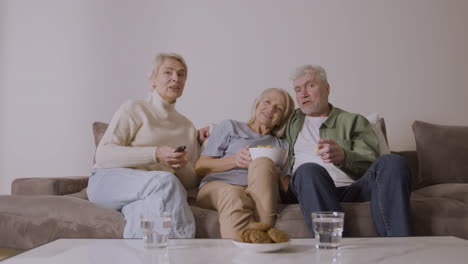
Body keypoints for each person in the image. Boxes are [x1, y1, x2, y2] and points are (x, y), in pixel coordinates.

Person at [87, 53, 208, 239]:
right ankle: (186, 251)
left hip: (149, 192)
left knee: (145, 210)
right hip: (107, 182)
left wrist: (181, 166)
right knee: (165, 181)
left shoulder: (187, 127)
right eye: (168, 72)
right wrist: (156, 154)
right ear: (153, 80)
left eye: (181, 74)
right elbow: (104, 155)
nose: (176, 78)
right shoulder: (134, 109)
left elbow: (190, 183)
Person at [281, 65, 412, 237]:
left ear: (327, 88)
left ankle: (399, 249)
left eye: (310, 86)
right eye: (298, 89)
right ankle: (335, 253)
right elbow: (260, 126)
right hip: (311, 187)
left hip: (353, 188)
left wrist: (344, 156)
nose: (303, 94)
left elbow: (372, 164)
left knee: (393, 162)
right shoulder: (290, 121)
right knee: (308, 169)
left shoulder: (353, 121)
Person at [195, 88, 295, 239]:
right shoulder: (230, 127)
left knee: (263, 163)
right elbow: (200, 166)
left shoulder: (282, 146)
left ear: (281, 118)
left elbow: (287, 189)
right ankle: (256, 241)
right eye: (267, 102)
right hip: (218, 187)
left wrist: (275, 171)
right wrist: (234, 160)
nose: (270, 109)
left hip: (257, 192)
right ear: (257, 104)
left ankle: (258, 237)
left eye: (278, 108)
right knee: (234, 194)